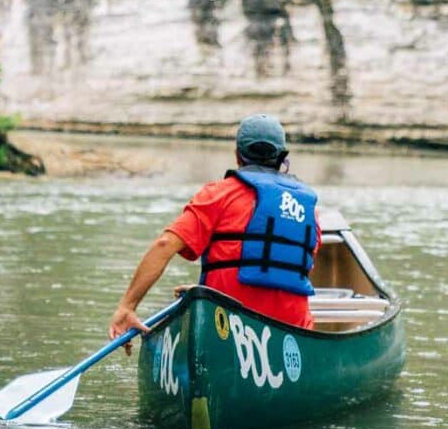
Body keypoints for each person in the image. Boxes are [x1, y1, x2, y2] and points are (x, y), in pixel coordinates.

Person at [108, 114, 321, 346]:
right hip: (292, 334)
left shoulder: (217, 195)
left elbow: (164, 245)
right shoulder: (309, 210)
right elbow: (289, 270)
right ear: (282, 158)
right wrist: (206, 294)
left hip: (228, 328)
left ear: (237, 155)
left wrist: (127, 307)